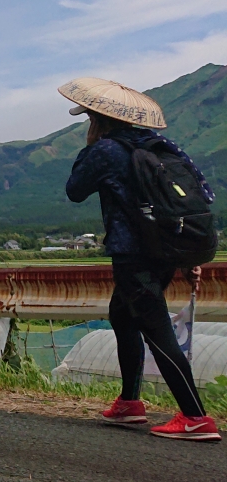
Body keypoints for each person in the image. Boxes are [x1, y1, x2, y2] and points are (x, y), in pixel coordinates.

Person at [61, 79, 219, 441]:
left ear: (96, 119)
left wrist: (90, 149)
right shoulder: (160, 145)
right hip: (165, 249)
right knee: (122, 314)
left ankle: (194, 416)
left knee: (154, 327)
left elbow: (74, 190)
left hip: (134, 253)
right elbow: (195, 197)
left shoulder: (106, 150)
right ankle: (130, 403)